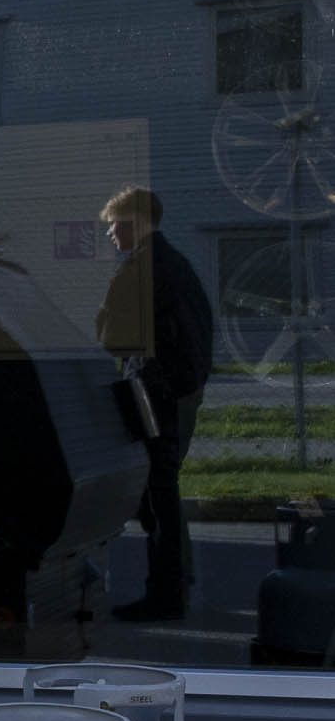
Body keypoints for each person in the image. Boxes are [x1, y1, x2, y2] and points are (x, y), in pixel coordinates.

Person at [99, 185, 217, 623]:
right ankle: (174, 587)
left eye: (113, 223)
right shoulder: (176, 265)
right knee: (162, 491)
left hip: (156, 395)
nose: (110, 233)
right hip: (177, 392)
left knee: (157, 494)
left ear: (134, 222)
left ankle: (165, 594)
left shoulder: (143, 268)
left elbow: (109, 334)